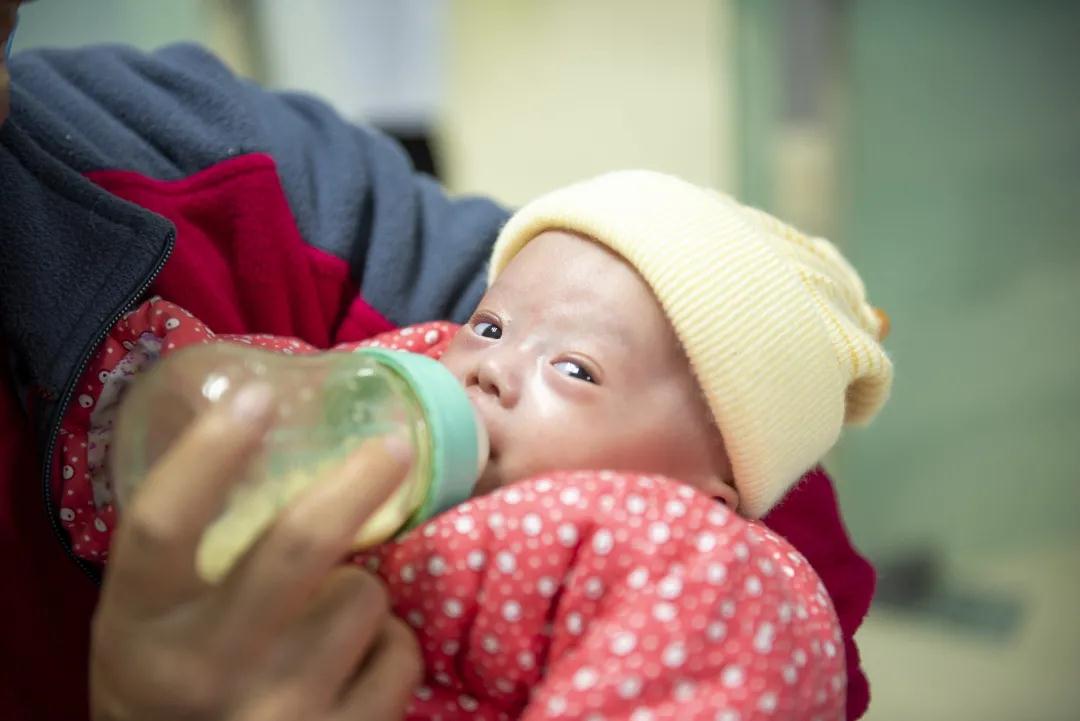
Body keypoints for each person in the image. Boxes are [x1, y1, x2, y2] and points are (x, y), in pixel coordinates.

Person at [0, 9, 876, 719]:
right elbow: (238, 399)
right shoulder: (413, 379)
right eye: (490, 326)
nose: (491, 369)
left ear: (710, 497)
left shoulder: (687, 566)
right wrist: (146, 404)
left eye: (575, 371)